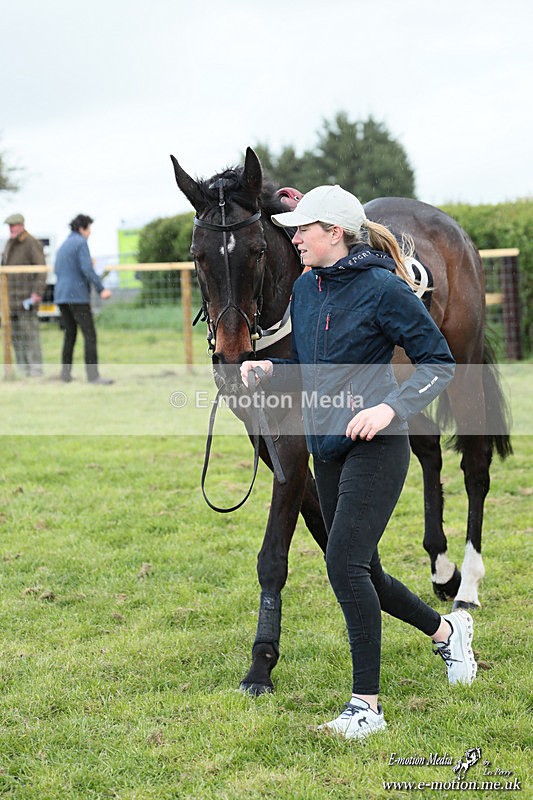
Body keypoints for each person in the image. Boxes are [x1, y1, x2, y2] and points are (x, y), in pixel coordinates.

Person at [240, 185, 477, 741]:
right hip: (327, 447)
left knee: (343, 564)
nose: (295, 238)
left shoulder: (384, 289)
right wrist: (271, 370)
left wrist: (390, 408)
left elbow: (438, 362)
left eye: (303, 229)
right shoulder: (305, 288)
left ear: (334, 233)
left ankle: (366, 706)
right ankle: (448, 634)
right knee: (364, 570)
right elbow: (309, 363)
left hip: (378, 443)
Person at [54, 214, 114, 384]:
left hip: (61, 295)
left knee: (70, 335)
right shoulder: (80, 242)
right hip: (77, 296)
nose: (90, 233)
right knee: (90, 335)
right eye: (89, 229)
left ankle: (65, 375)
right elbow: (87, 269)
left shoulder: (64, 245)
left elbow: (59, 269)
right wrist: (101, 289)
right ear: (81, 228)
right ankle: (93, 376)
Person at [1, 213, 46, 376]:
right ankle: (22, 370)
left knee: (30, 335)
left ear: (21, 225)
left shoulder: (31, 243)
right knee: (16, 337)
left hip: (26, 299)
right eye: (10, 226)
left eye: (14, 226)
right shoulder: (9, 243)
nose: (11, 229)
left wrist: (37, 293)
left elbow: (41, 270)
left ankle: (36, 369)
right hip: (10, 300)